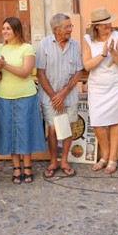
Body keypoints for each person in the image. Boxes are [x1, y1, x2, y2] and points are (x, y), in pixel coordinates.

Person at [0, 17, 46, 184]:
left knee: (25, 131)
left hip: (25, 95)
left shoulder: (27, 48)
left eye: (8, 28)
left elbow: (25, 72)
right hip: (3, 96)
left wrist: (4, 66)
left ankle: (28, 165)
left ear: (16, 30)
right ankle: (16, 167)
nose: (5, 31)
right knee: (10, 132)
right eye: (3, 28)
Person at [82, 7, 118, 174]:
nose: (108, 26)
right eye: (103, 24)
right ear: (95, 26)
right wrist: (103, 54)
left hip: (116, 84)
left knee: (116, 121)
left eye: (109, 22)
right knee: (98, 123)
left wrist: (113, 51)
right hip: (97, 86)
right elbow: (87, 65)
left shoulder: (117, 37)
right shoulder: (88, 40)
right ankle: (105, 154)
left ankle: (112, 158)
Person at [36, 14, 83, 178]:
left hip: (68, 96)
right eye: (67, 27)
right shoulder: (44, 45)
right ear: (56, 29)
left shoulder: (75, 45)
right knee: (53, 130)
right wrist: (54, 96)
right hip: (50, 97)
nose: (71, 29)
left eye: (71, 26)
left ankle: (64, 160)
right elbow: (40, 73)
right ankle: (53, 161)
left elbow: (78, 72)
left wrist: (63, 94)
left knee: (68, 128)